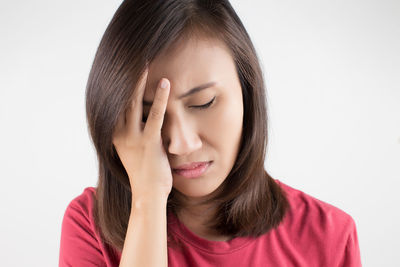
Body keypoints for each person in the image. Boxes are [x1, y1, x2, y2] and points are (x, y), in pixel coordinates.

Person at [59, 0, 362, 266]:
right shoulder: (89, 226)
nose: (182, 144)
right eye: (149, 117)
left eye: (204, 103)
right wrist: (147, 200)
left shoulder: (330, 236)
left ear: (246, 91)